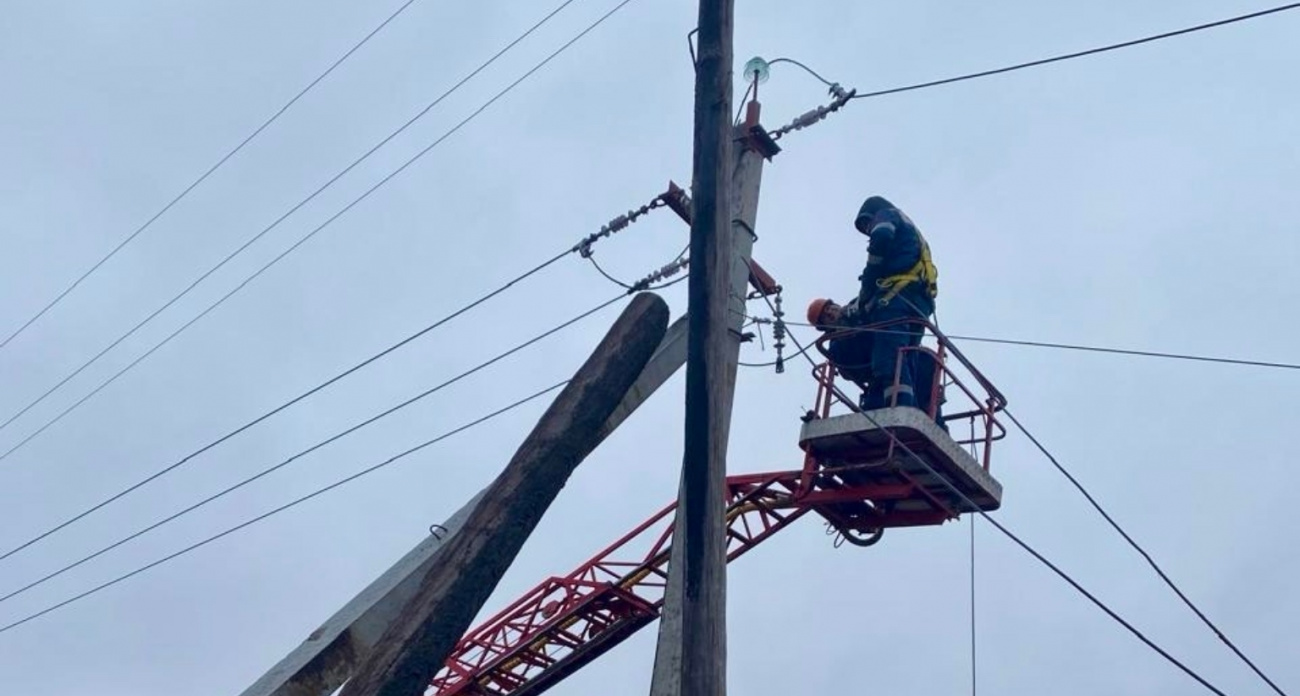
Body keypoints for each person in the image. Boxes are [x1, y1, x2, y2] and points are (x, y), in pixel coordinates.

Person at [814, 195, 942, 417]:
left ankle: (900, 406)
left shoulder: (886, 215)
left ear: (870, 214)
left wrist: (868, 284)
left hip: (898, 298)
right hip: (916, 299)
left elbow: (881, 237)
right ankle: (901, 404)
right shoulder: (907, 227)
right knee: (904, 356)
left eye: (831, 307)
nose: (867, 230)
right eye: (826, 316)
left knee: (892, 357)